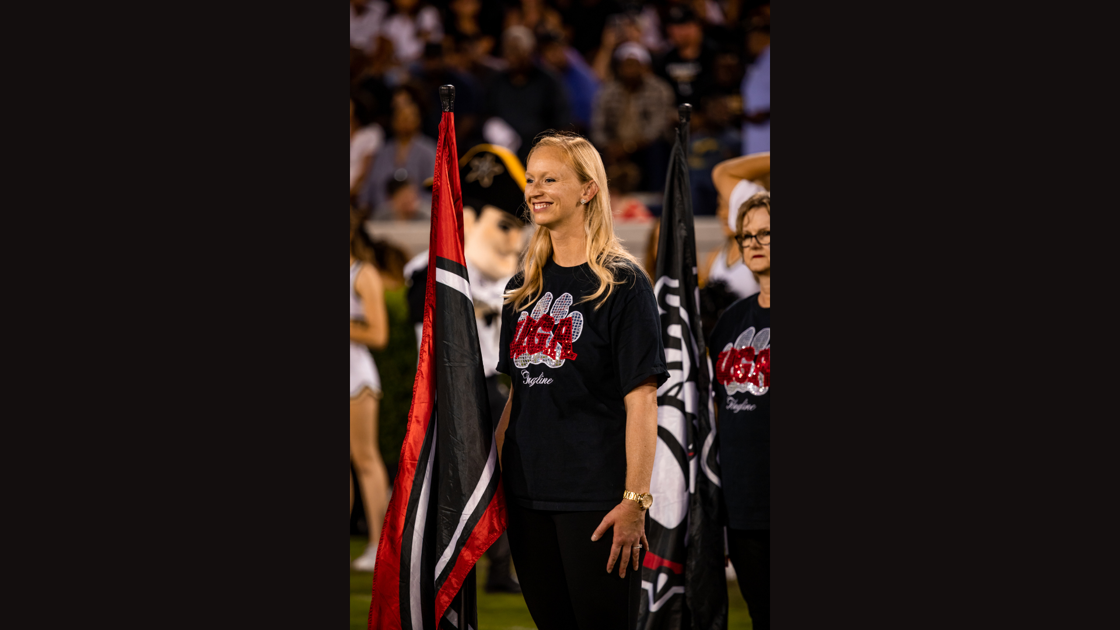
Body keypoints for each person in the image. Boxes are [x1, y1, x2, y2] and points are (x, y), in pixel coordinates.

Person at [494, 131, 668, 629]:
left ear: (588, 190)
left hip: (597, 500)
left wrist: (635, 501)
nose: (535, 190)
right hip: (527, 498)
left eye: (551, 178)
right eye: (531, 179)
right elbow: (516, 398)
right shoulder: (521, 285)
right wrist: (495, 485)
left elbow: (643, 401)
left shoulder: (624, 284)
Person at [402, 144, 531, 593]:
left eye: (520, 230)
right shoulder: (429, 274)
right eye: (505, 226)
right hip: (449, 393)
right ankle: (442, 575)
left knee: (506, 480)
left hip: (493, 390)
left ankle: (499, 567)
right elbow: (430, 349)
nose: (514, 242)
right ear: (467, 222)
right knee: (448, 491)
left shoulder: (508, 282)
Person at [709, 191, 770, 629]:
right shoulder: (731, 320)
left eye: (767, 232)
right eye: (747, 235)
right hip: (743, 501)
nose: (754, 242)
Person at [350, 207, 391, 572]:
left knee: (365, 459)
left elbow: (378, 334)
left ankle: (379, 545)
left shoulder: (362, 273)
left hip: (356, 378)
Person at [701, 151, 769, 298]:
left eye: (732, 205)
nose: (725, 213)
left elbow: (723, 173)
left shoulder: (762, 210)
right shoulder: (714, 257)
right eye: (720, 206)